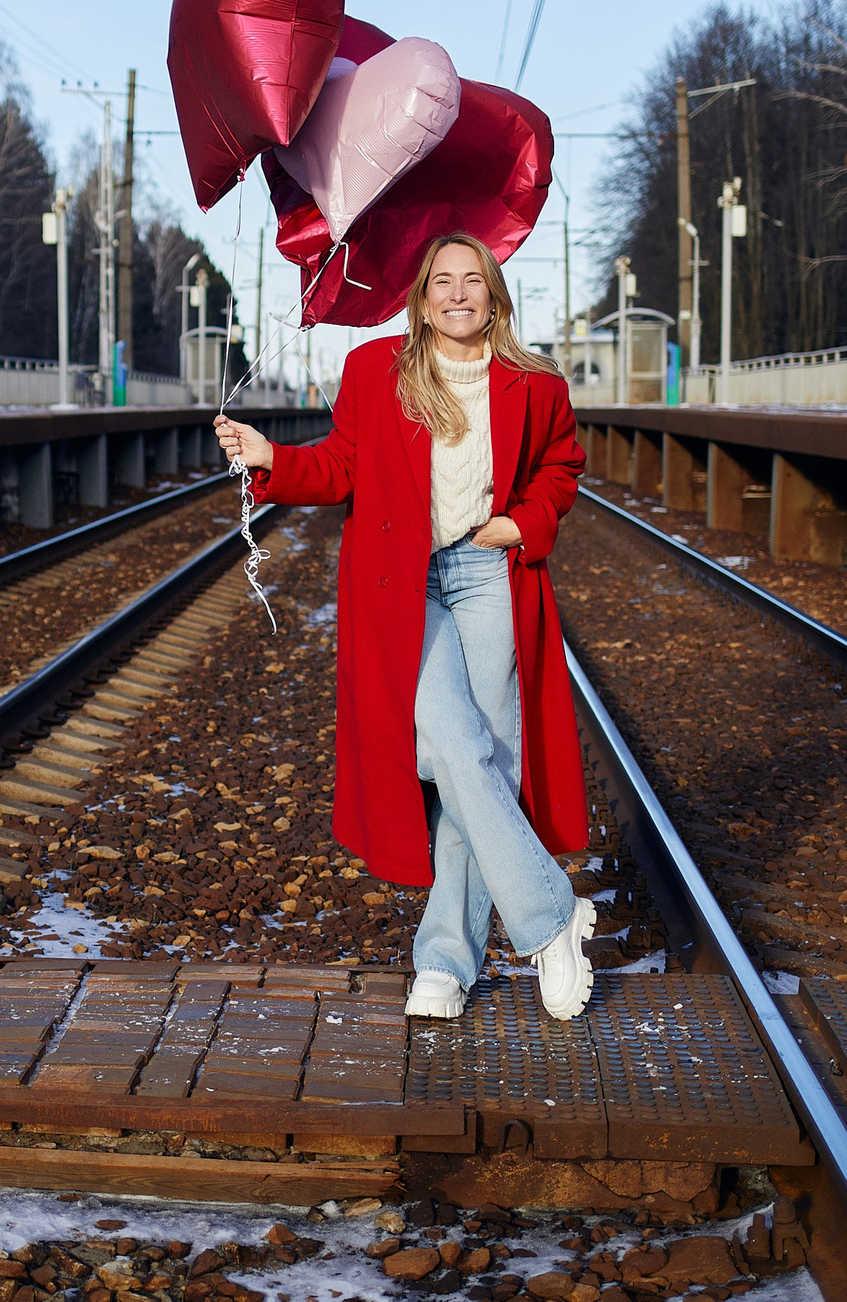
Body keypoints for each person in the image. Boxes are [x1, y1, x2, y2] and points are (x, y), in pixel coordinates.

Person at [214, 234, 595, 1020]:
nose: (457, 294)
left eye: (472, 281)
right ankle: (551, 915)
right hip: (403, 586)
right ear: (421, 300)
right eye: (441, 282)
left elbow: (562, 467)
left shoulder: (537, 385)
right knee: (454, 744)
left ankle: (445, 961)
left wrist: (522, 522)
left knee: (480, 765)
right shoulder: (376, 371)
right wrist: (271, 455)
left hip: (488, 574)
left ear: (494, 296)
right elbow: (341, 466)